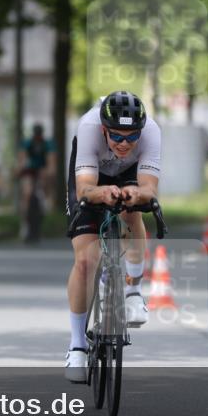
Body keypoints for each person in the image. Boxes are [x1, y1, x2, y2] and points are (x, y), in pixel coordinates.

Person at [64, 90, 160, 382]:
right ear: (104, 129)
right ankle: (77, 345)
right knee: (85, 261)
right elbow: (84, 189)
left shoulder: (152, 132)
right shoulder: (89, 127)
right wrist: (100, 193)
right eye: (117, 136)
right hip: (92, 177)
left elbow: (148, 188)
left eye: (132, 137)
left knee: (134, 210)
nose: (124, 143)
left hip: (129, 174)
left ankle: (133, 291)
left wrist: (135, 194)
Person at [16, 123, 55, 238]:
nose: (37, 137)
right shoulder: (27, 143)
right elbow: (22, 158)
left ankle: (45, 202)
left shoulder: (47, 144)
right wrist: (19, 169)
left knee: (44, 183)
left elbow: (51, 160)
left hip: (42, 169)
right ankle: (24, 223)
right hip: (30, 170)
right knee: (27, 192)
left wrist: (50, 171)